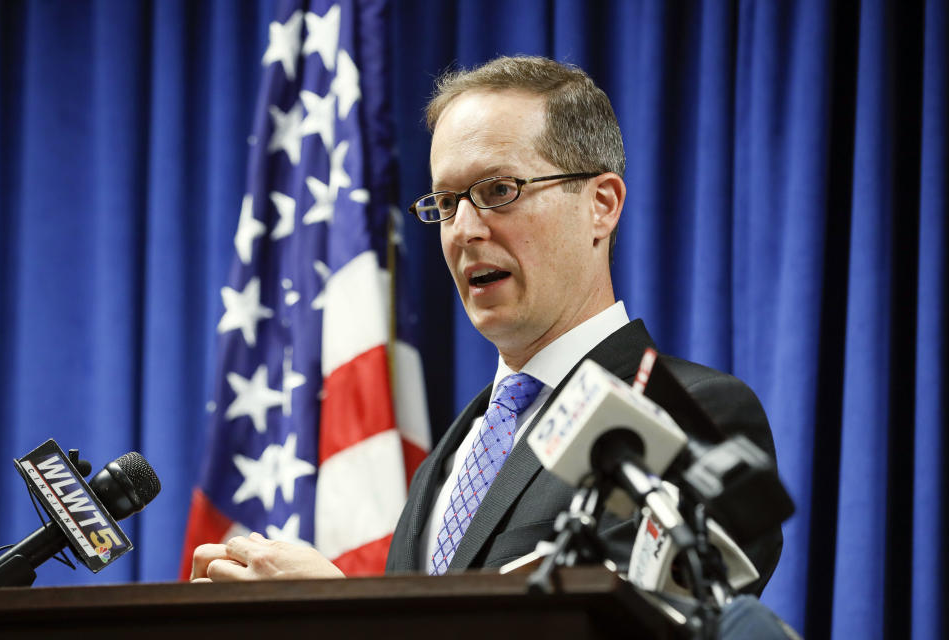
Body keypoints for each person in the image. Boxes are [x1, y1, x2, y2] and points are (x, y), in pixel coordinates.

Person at [191, 56, 783, 594]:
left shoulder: (694, 416)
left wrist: (339, 608)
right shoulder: (450, 457)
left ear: (601, 205)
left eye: (499, 190)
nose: (463, 231)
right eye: (446, 203)